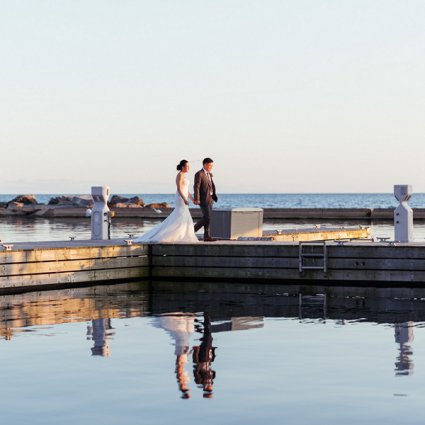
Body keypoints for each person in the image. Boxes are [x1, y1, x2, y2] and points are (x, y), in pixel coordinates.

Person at [133, 160, 199, 243]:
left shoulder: (185, 176)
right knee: (181, 214)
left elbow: (186, 190)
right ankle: (174, 234)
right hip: (180, 197)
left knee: (183, 215)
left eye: (189, 166)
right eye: (187, 166)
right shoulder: (180, 175)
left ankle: (182, 234)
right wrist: (184, 199)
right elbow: (179, 188)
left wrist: (192, 199)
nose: (189, 168)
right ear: (183, 167)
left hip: (184, 196)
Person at [193, 158, 218, 242]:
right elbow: (196, 187)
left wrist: (214, 195)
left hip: (210, 198)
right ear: (204, 164)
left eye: (212, 165)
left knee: (208, 217)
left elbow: (211, 185)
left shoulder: (209, 174)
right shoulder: (199, 174)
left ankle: (207, 236)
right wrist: (197, 198)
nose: (211, 167)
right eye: (210, 165)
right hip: (203, 199)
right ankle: (193, 230)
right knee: (207, 217)